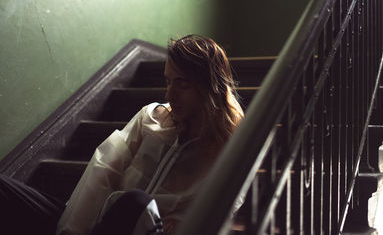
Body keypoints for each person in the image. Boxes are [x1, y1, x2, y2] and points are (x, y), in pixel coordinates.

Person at [0, 35, 244, 235]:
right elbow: (104, 171)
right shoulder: (152, 116)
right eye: (168, 82)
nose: (170, 95)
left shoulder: (229, 146)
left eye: (183, 84)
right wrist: (72, 231)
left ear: (211, 87)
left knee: (137, 203)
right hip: (102, 224)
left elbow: (218, 211)